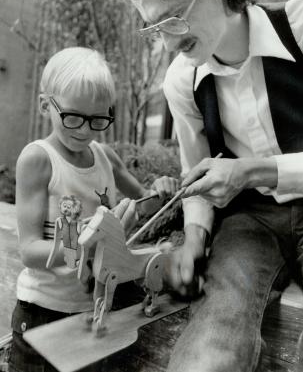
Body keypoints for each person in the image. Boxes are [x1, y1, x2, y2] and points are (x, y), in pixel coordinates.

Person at [111, 0, 303, 372]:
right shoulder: (180, 82)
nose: (168, 41)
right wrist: (192, 239)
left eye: (174, 17)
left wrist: (251, 170)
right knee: (215, 335)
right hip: (250, 225)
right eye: (154, 28)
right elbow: (195, 181)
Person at [9, 46, 179, 372]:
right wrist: (87, 243)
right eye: (72, 117)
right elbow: (30, 251)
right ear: (46, 105)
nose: (85, 130)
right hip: (44, 311)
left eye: (97, 119)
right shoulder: (38, 159)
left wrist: (162, 188)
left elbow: (145, 202)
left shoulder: (105, 157)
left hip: (95, 310)